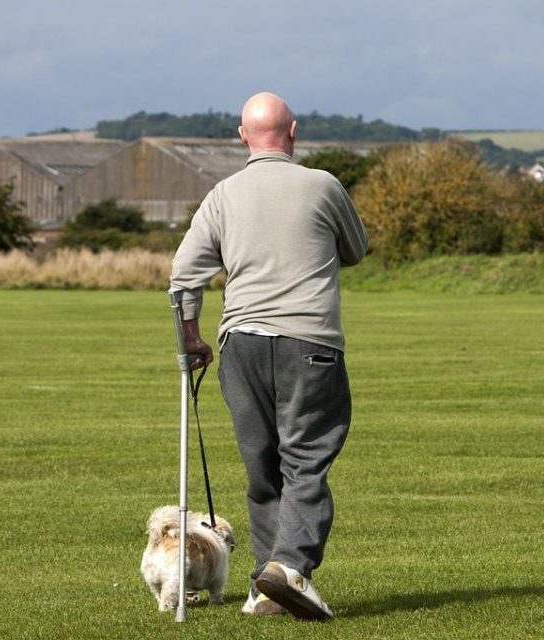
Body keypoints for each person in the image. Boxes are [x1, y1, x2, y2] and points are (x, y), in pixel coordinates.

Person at [168, 91, 368, 621]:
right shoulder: (324, 185)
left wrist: (191, 338)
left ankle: (267, 585)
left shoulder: (221, 194)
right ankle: (290, 568)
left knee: (262, 467)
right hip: (310, 342)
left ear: (242, 136)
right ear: (294, 132)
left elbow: (184, 273)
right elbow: (355, 249)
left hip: (240, 344)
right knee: (305, 460)